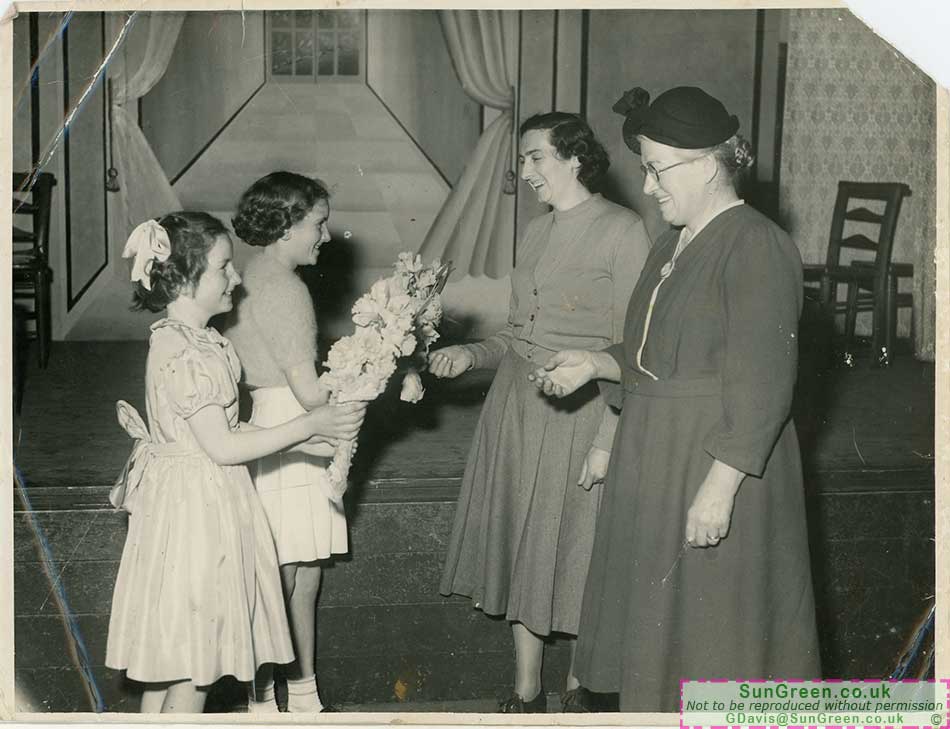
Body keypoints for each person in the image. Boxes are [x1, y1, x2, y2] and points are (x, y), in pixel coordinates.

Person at [530, 86, 821, 711]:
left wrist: (720, 488)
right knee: (663, 640)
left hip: (714, 459)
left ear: (710, 164)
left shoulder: (755, 244)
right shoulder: (673, 240)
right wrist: (598, 363)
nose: (650, 185)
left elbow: (766, 379)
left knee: (715, 631)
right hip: (658, 451)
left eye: (659, 169)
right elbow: (654, 346)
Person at [429, 112, 651, 713]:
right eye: (523, 159)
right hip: (515, 408)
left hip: (579, 411)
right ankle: (526, 691)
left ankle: (583, 687)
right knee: (521, 539)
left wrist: (611, 430)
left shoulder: (623, 230)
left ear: (574, 157)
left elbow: (634, 347)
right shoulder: (536, 232)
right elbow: (516, 333)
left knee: (577, 545)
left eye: (535, 158)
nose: (524, 172)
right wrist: (470, 352)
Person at [105, 212, 361, 713]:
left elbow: (226, 431)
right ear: (183, 277)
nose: (237, 278)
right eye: (224, 268)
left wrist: (303, 445)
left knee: (173, 664)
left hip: (197, 500)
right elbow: (220, 448)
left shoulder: (199, 340)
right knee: (194, 667)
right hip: (195, 514)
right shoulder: (184, 350)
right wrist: (308, 424)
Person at [223, 171, 364, 713]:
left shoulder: (255, 275)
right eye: (318, 224)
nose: (325, 237)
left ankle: (299, 695)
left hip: (271, 420)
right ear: (285, 227)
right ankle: (264, 702)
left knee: (298, 576)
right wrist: (367, 379)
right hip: (293, 426)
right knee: (285, 578)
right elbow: (309, 394)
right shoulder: (285, 289)